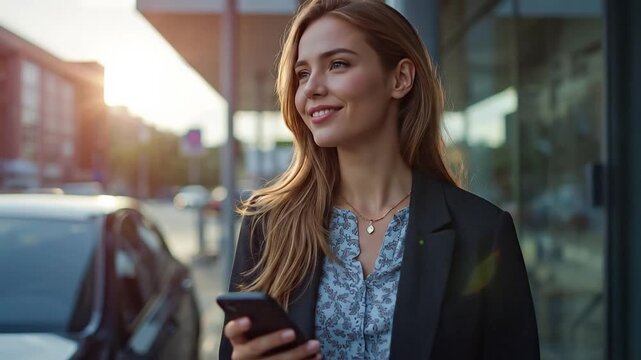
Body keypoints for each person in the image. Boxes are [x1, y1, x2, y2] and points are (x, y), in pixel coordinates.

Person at [220, 0, 539, 359]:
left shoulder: (481, 231)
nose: (311, 89)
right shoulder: (267, 225)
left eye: (337, 64)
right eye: (303, 73)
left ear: (400, 78)